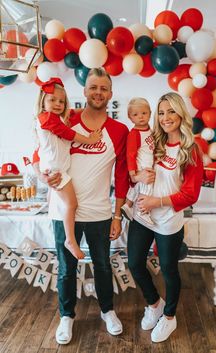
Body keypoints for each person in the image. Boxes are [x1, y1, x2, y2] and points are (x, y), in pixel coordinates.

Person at [33, 68, 129, 344]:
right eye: (93, 87)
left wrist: (118, 214)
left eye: (104, 88)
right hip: (63, 211)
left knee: (102, 265)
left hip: (99, 212)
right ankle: (66, 316)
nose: (98, 92)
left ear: (110, 94)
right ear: (84, 91)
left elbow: (121, 176)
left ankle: (108, 311)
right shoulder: (65, 119)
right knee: (66, 268)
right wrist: (43, 175)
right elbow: (38, 152)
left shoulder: (119, 131)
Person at [127, 92, 203, 343]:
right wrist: (137, 178)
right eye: (161, 112)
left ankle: (170, 316)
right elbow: (132, 169)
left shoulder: (191, 148)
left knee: (169, 270)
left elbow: (190, 194)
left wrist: (157, 202)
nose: (165, 117)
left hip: (168, 220)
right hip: (142, 215)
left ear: (181, 113)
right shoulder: (152, 142)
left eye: (171, 111)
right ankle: (155, 304)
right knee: (136, 263)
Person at [35, 77, 102, 260]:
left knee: (63, 203)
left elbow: (70, 115)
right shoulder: (46, 118)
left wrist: (86, 109)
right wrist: (90, 140)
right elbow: (68, 133)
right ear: (43, 101)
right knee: (72, 204)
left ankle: (70, 239)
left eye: (61, 101)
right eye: (52, 100)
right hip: (55, 171)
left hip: (56, 169)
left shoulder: (56, 118)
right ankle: (70, 240)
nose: (57, 104)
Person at [121, 97, 155, 225]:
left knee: (138, 187)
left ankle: (128, 205)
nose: (140, 117)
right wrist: (132, 173)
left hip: (149, 163)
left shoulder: (150, 131)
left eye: (144, 113)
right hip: (143, 166)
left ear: (150, 114)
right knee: (147, 188)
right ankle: (142, 211)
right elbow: (130, 154)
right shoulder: (134, 134)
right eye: (136, 114)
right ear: (130, 117)